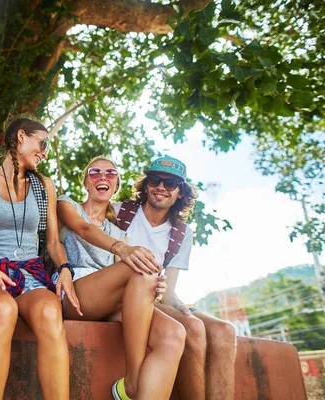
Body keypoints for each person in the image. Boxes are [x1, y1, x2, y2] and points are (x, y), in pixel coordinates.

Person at [0, 116, 80, 400]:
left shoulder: (44, 185)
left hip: (30, 275)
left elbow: (52, 242)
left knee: (49, 311)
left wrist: (65, 268)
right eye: (42, 142)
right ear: (21, 136)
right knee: (3, 309)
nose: (44, 152)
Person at [56, 156, 186, 400]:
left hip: (108, 302)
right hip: (73, 292)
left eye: (110, 174)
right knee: (138, 263)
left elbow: (128, 279)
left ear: (115, 186)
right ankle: (133, 382)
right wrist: (123, 250)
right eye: (94, 172)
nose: (103, 177)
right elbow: (84, 229)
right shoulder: (66, 205)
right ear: (85, 182)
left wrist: (155, 287)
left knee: (174, 334)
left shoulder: (118, 232)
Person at [113, 155, 237, 400]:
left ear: (180, 192)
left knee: (225, 332)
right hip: (124, 299)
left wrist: (181, 306)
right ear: (146, 185)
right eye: (156, 180)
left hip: (157, 297)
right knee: (192, 327)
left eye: (170, 184)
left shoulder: (181, 232)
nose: (161, 187)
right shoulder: (120, 213)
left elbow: (168, 291)